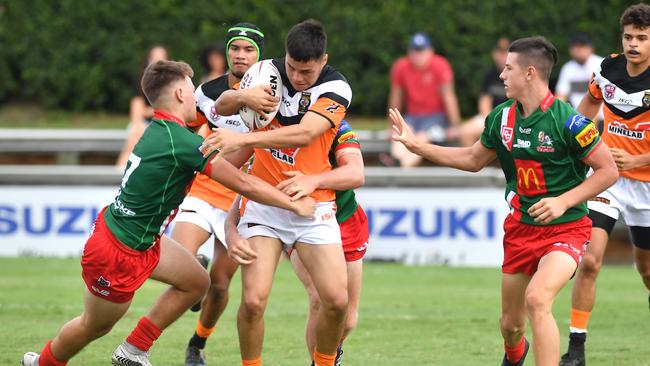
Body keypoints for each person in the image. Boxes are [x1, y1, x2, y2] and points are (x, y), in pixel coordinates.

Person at [20, 60, 315, 366]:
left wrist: (259, 136)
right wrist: (294, 204)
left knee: (197, 282)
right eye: (191, 89)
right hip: (119, 251)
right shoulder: (182, 143)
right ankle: (43, 363)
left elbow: (234, 160)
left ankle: (133, 350)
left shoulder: (165, 131)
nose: (196, 96)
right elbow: (242, 182)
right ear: (178, 94)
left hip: (143, 239)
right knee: (94, 325)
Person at [390, 36, 618, 366]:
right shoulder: (501, 117)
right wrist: (417, 147)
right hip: (521, 230)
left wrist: (563, 201)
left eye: (508, 68)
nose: (501, 75)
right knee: (511, 326)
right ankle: (515, 354)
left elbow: (607, 171)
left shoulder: (569, 121)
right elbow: (472, 159)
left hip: (565, 229)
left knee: (538, 299)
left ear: (529, 73)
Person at [202, 19, 352, 366]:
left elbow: (304, 134)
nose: (298, 78)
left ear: (324, 61)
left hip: (311, 208)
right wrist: (242, 95)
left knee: (336, 301)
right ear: (284, 56)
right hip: (264, 207)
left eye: (307, 71)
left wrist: (244, 138)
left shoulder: (336, 88)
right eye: (293, 68)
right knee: (254, 302)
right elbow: (220, 105)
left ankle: (324, 363)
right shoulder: (264, 71)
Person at [224, 119, 367, 366]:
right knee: (317, 298)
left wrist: (314, 180)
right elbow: (248, 183)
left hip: (344, 219)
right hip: (300, 218)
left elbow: (355, 172)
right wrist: (230, 228)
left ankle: (329, 355)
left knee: (347, 318)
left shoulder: (335, 125)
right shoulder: (269, 125)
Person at [560, 4, 650, 366]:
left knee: (646, 271)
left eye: (642, 38)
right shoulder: (607, 70)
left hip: (646, 187)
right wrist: (573, 140)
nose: (633, 44)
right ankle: (577, 349)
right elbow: (588, 108)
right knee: (590, 262)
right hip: (608, 179)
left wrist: (641, 160)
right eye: (629, 37)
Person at [176, 22, 269, 366]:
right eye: (235, 48)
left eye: (248, 49)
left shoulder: (273, 93)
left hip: (241, 200)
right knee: (182, 256)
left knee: (219, 282)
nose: (240, 55)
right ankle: (192, 282)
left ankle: (197, 343)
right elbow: (184, 128)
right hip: (206, 187)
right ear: (227, 51)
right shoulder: (208, 90)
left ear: (259, 54)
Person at [385, 32, 461, 167]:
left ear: (430, 51)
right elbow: (396, 98)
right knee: (400, 133)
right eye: (415, 50)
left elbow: (449, 96)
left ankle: (399, 165)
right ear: (409, 51)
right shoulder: (401, 67)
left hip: (436, 118)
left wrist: (454, 126)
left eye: (421, 50)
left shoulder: (440, 65)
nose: (418, 55)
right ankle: (397, 161)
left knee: (421, 138)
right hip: (412, 116)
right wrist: (391, 125)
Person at [116, 45, 169, 168]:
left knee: (139, 133)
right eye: (154, 57)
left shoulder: (174, 83)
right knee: (136, 131)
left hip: (166, 125)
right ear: (148, 61)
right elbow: (137, 114)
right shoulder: (140, 82)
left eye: (162, 58)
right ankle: (118, 173)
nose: (158, 61)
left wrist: (149, 111)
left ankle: (121, 173)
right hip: (145, 125)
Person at [459, 37, 510, 147]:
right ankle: (473, 162)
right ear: (494, 54)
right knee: (465, 131)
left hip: (512, 119)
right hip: (492, 117)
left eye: (506, 53)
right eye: (500, 53)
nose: (503, 57)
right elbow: (484, 102)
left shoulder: (517, 74)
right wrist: (491, 122)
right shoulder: (489, 75)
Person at [555, 33, 604, 109]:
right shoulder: (568, 68)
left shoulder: (600, 64)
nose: (578, 50)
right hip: (577, 116)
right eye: (575, 46)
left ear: (590, 49)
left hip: (601, 116)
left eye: (581, 46)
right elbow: (561, 96)